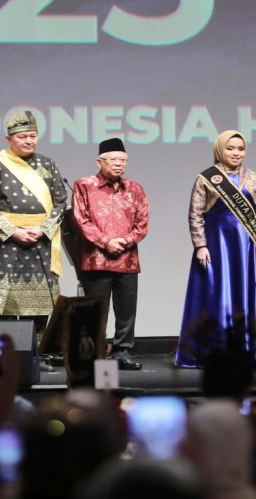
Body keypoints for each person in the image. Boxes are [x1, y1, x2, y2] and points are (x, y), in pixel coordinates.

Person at [175, 130, 256, 369]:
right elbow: (195, 214)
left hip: (246, 246)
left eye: (241, 148)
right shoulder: (206, 178)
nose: (236, 153)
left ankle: (246, 353)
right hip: (216, 245)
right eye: (230, 148)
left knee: (246, 293)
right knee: (214, 294)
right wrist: (200, 245)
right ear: (220, 150)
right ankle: (213, 353)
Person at [0, 111, 66, 335]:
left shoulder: (47, 164)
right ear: (9, 139)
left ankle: (37, 350)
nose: (28, 141)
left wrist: (43, 229)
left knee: (40, 303)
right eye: (22, 136)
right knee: (5, 305)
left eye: (32, 136)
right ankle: (5, 351)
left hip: (40, 241)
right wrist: (13, 231)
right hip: (5, 243)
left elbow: (61, 202)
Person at [73, 138, 150, 371]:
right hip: (96, 258)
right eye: (113, 159)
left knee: (126, 311)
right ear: (99, 162)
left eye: (123, 160)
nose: (118, 164)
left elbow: (142, 222)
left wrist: (125, 242)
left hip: (127, 259)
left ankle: (122, 352)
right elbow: (81, 220)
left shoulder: (135, 189)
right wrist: (106, 242)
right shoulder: (84, 185)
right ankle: (94, 355)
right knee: (96, 311)